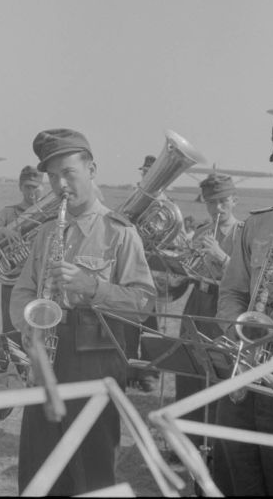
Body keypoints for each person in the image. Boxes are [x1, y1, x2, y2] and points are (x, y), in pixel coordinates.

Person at [10, 129, 156, 496]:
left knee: (90, 472)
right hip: (48, 358)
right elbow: (24, 289)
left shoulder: (120, 233)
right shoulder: (45, 233)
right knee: (38, 468)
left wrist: (91, 287)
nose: (60, 184)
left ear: (92, 169)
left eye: (69, 173)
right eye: (52, 176)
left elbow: (143, 303)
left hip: (96, 362)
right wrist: (27, 324)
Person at [214, 111, 273, 496]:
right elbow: (231, 292)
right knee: (239, 467)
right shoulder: (257, 225)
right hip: (248, 369)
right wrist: (238, 336)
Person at [174, 173, 243, 493]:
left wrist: (219, 256)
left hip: (224, 309)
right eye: (211, 202)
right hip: (197, 305)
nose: (217, 208)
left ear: (233, 200)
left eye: (222, 201)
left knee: (219, 378)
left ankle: (217, 451)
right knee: (189, 375)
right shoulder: (202, 231)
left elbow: (250, 277)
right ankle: (187, 448)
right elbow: (184, 275)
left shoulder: (244, 233)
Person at [123, 154, 166, 393]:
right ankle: (129, 371)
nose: (146, 176)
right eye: (145, 172)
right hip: (130, 270)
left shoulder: (165, 204)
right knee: (128, 324)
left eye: (151, 172)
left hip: (150, 270)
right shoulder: (134, 197)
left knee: (150, 327)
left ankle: (149, 373)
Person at [0, 165, 45, 333]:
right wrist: (3, 231)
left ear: (43, 187)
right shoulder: (9, 212)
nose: (32, 191)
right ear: (20, 187)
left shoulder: (51, 214)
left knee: (39, 329)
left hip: (40, 281)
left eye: (36, 187)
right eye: (27, 187)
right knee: (11, 328)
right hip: (13, 282)